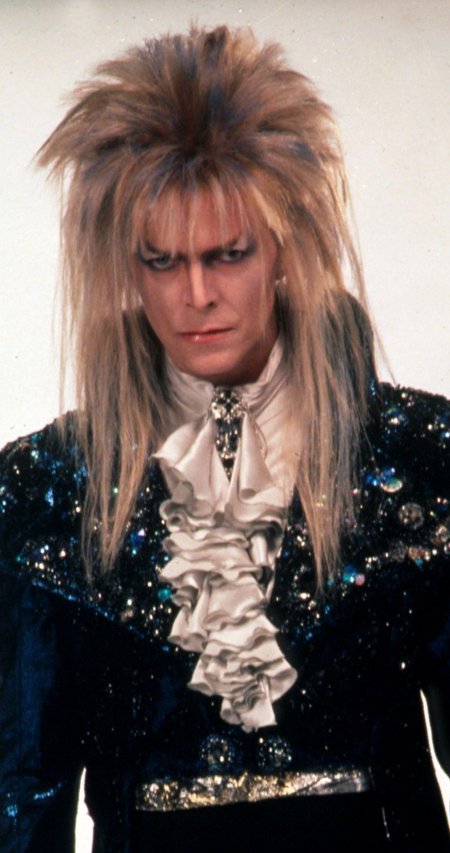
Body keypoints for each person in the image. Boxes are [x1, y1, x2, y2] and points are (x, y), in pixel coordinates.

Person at [0, 23, 448, 853]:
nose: (196, 294)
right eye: (162, 261)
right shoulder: (48, 486)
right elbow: (22, 795)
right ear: (125, 266)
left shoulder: (417, 459)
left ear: (283, 248)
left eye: (228, 254)